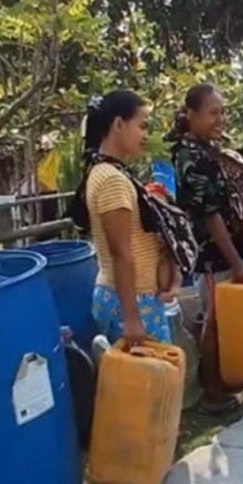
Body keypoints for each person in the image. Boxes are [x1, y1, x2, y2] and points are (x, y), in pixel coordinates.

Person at [170, 83, 243, 413]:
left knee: (219, 316)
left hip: (221, 251)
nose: (220, 119)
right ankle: (211, 392)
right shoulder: (193, 156)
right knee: (213, 320)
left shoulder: (204, 149)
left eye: (222, 112)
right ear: (191, 115)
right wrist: (237, 262)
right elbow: (211, 215)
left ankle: (222, 379)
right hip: (211, 254)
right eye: (212, 113)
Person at [73, 91, 177, 346]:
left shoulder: (105, 172)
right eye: (142, 126)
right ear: (118, 124)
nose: (145, 135)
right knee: (155, 370)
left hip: (124, 295)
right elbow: (120, 252)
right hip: (133, 301)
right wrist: (131, 318)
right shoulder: (112, 180)